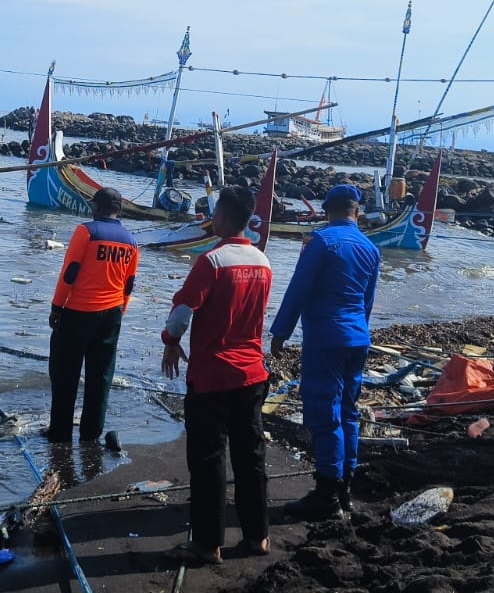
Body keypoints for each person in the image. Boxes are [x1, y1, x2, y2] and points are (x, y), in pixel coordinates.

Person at [160, 184, 272, 566]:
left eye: (215, 211)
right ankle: (258, 536)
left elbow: (181, 312)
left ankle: (208, 544)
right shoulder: (263, 261)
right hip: (252, 374)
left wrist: (170, 341)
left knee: (208, 460)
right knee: (250, 457)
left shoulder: (211, 261)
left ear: (222, 215)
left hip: (213, 375)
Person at [267, 182, 382, 521]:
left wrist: (281, 331)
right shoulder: (370, 248)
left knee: (324, 412)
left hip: (326, 337)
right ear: (357, 212)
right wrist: (359, 331)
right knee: (348, 411)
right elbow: (367, 301)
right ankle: (345, 489)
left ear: (327, 211)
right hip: (357, 337)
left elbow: (298, 289)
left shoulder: (320, 241)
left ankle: (327, 495)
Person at [46, 186, 139, 446]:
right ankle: (91, 435)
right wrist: (121, 311)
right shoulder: (131, 241)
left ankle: (60, 435)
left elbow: (70, 273)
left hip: (78, 312)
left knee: (65, 375)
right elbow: (129, 284)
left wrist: (56, 307)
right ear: (118, 210)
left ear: (96, 207)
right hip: (112, 314)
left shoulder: (86, 232)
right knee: (101, 377)